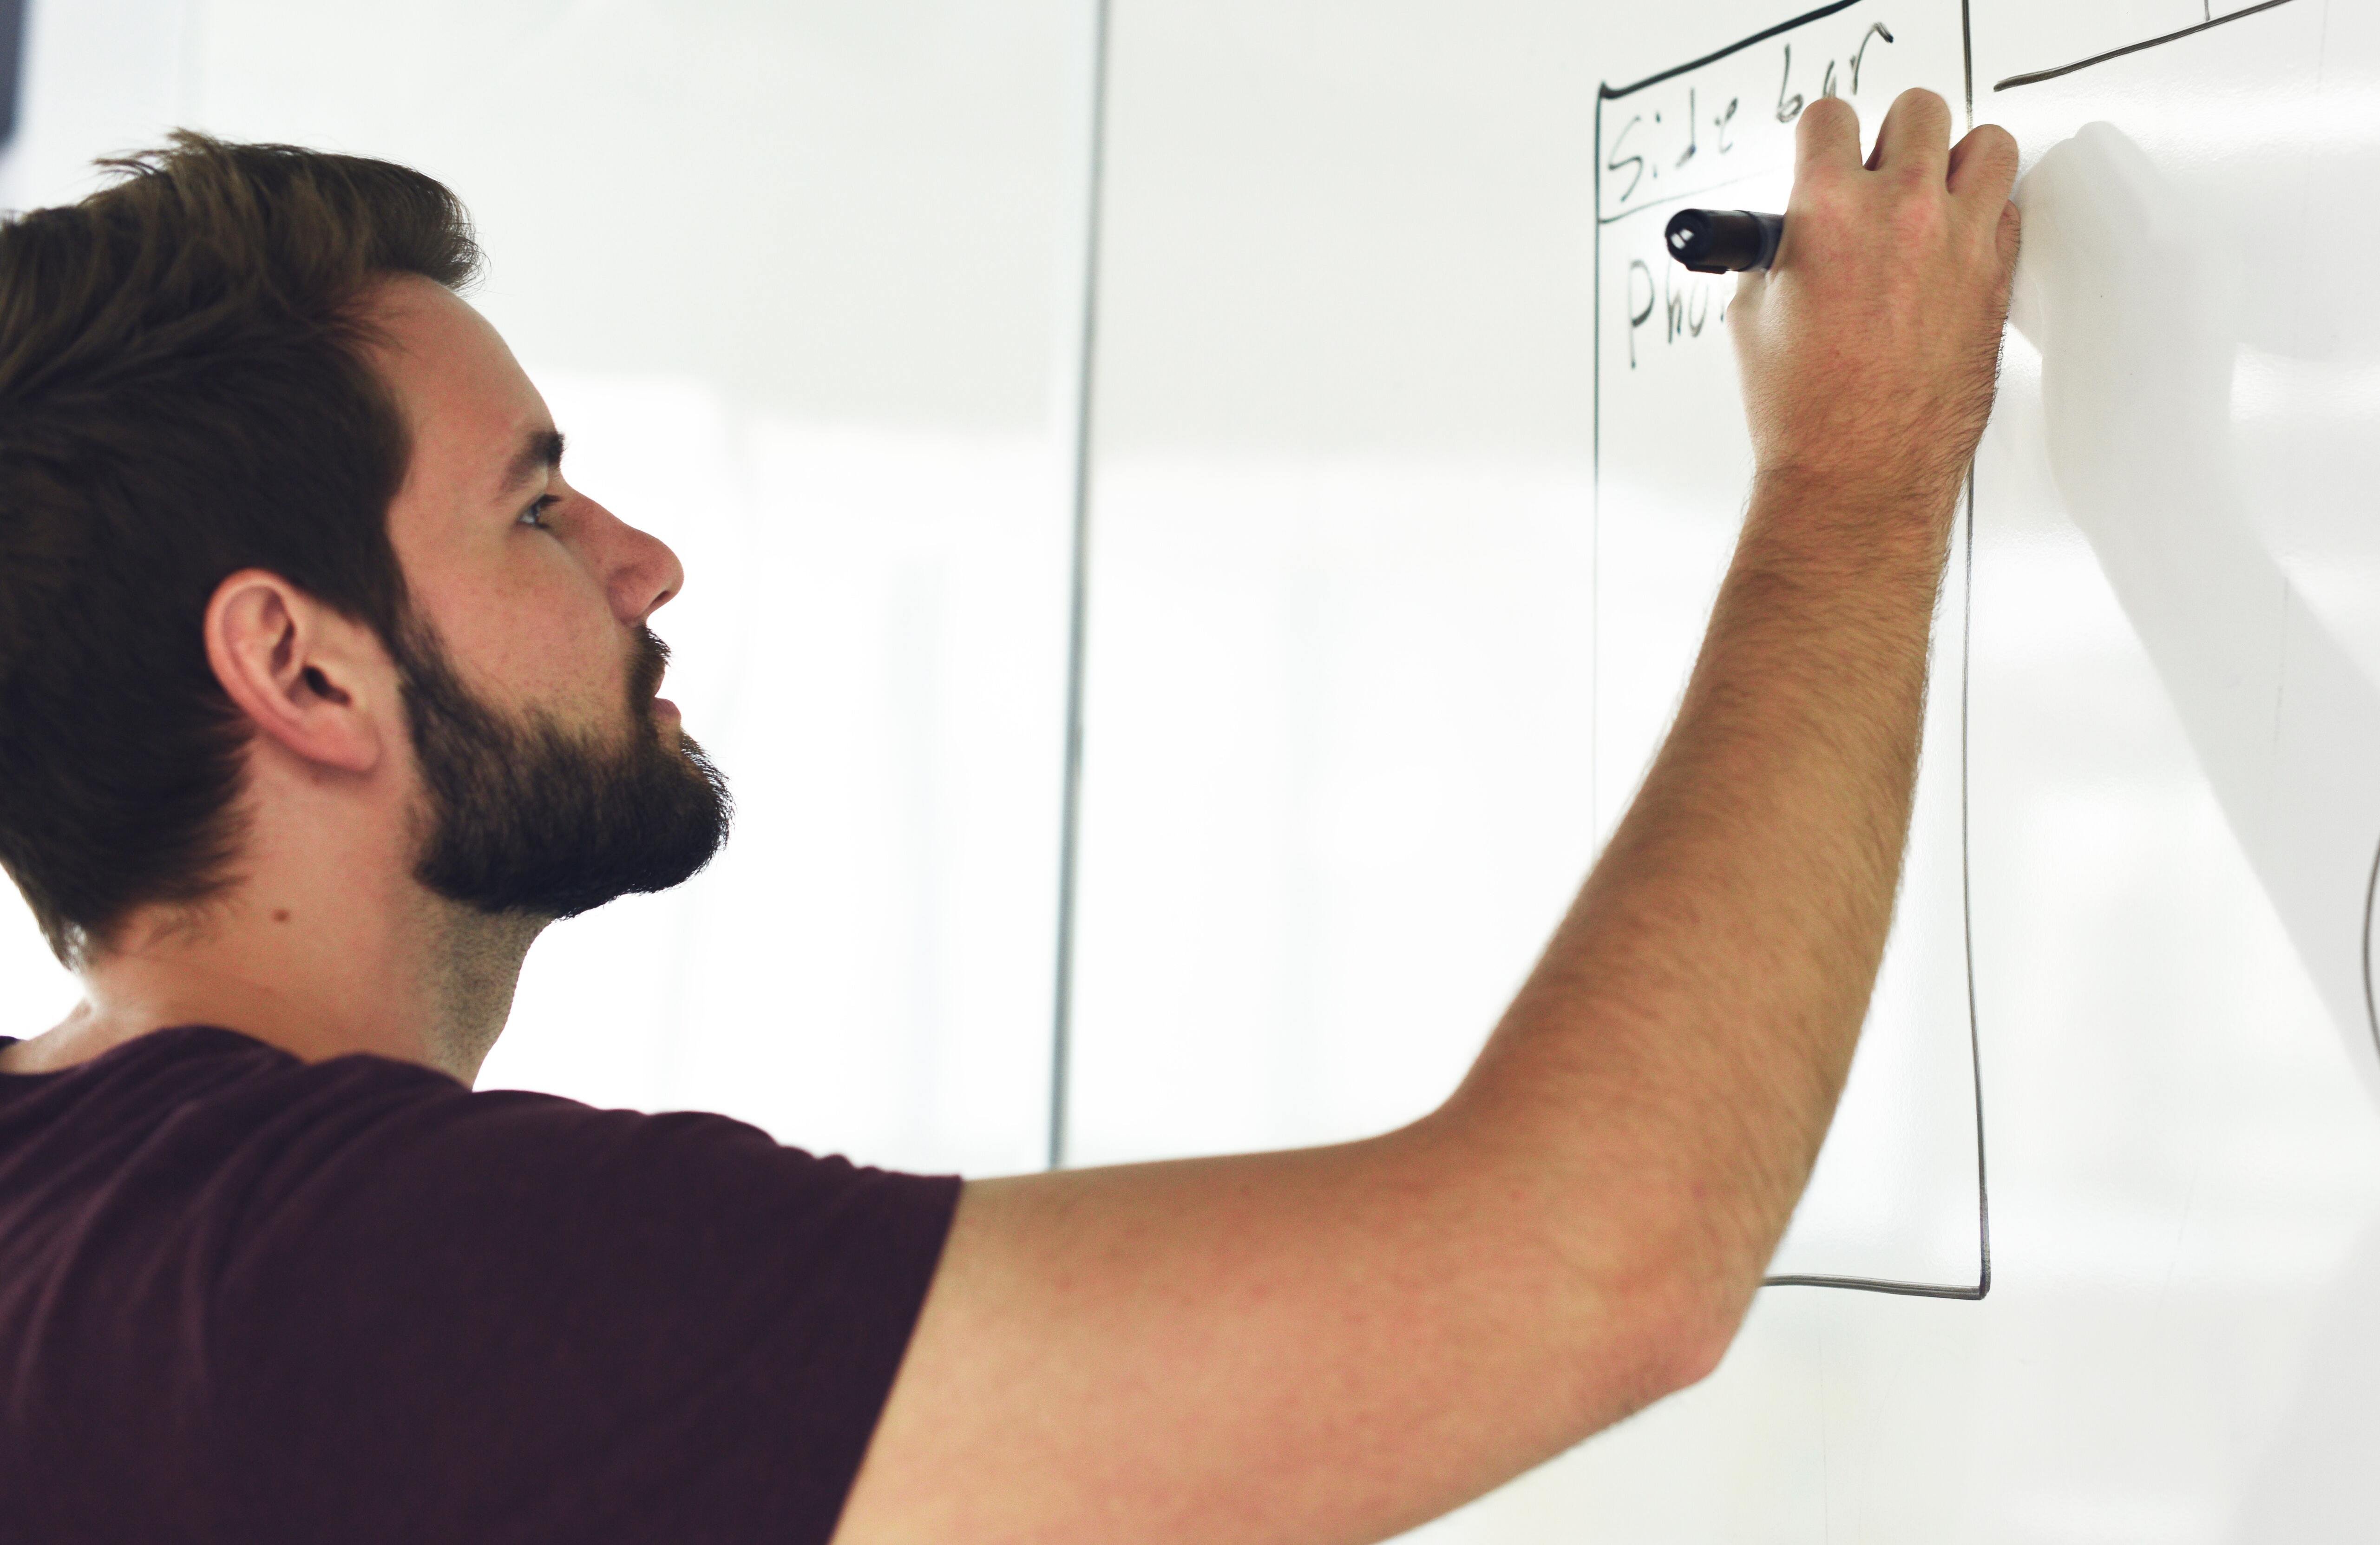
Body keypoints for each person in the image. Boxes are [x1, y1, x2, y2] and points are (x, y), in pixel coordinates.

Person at [0, 88, 2018, 1545]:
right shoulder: (367, 1274)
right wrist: (1855, 477)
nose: (645, 560)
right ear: (303, 668)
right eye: (535, 506)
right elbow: (1592, 1266)